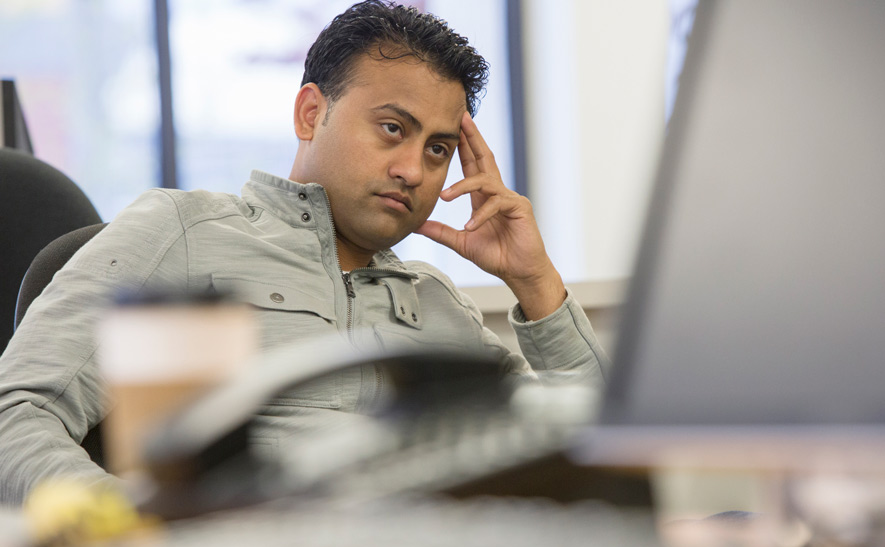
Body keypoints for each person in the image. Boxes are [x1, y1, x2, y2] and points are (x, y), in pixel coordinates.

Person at [0, 0, 608, 505]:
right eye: (394, 128)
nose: (412, 171)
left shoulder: (436, 300)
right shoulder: (184, 231)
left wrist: (536, 282)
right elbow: (15, 415)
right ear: (311, 113)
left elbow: (604, 457)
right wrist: (136, 532)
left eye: (439, 149)